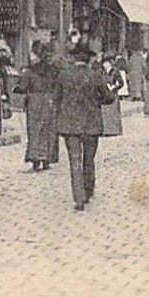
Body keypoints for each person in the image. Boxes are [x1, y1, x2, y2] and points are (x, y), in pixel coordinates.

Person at [53, 40, 115, 211]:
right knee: (89, 158)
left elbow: (55, 99)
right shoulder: (95, 75)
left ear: (73, 58)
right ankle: (88, 190)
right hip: (91, 124)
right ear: (88, 59)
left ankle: (78, 197)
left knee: (74, 159)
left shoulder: (64, 75)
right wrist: (97, 99)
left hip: (70, 124)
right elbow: (109, 97)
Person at [20, 43, 60, 171]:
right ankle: (47, 158)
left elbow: (22, 87)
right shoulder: (54, 71)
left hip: (34, 101)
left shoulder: (30, 72)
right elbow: (59, 86)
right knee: (49, 129)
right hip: (50, 100)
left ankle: (35, 158)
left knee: (34, 130)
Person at [99, 55, 124, 137]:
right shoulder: (101, 72)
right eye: (104, 63)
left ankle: (113, 130)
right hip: (104, 94)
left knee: (113, 113)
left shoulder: (115, 72)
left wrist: (114, 87)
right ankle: (105, 130)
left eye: (106, 63)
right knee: (104, 113)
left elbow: (121, 83)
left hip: (113, 94)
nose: (104, 65)